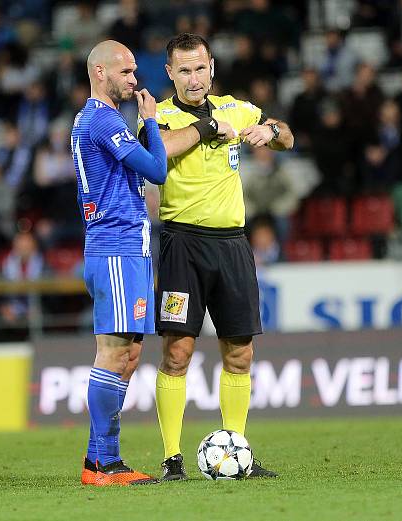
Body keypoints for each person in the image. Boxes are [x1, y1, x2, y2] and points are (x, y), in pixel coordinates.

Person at [138, 33, 294, 481]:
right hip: (182, 245)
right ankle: (172, 459)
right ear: (169, 73)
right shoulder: (158, 116)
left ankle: (237, 448)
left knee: (240, 352)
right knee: (177, 352)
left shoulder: (237, 108)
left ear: (212, 68)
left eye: (200, 68)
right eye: (183, 70)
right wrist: (208, 128)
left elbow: (286, 136)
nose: (194, 78)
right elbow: (159, 151)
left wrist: (271, 131)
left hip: (232, 246)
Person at [72, 40, 167, 486]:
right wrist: (151, 123)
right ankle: (102, 463)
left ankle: (101, 459)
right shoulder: (103, 120)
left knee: (129, 353)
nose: (134, 79)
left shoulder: (98, 119)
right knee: (113, 354)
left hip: (127, 246)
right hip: (115, 247)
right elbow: (156, 170)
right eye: (126, 72)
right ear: (100, 72)